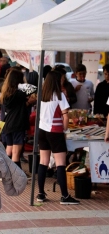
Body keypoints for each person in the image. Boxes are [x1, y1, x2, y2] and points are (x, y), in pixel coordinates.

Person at [37, 70, 79, 205]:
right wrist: (65, 130)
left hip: (42, 130)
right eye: (61, 79)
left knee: (43, 162)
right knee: (60, 163)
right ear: (56, 81)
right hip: (55, 131)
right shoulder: (60, 96)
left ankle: (41, 193)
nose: (63, 81)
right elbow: (65, 116)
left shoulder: (42, 95)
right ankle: (65, 196)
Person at [0, 69, 36, 169]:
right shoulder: (19, 93)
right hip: (18, 123)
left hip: (8, 123)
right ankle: (16, 175)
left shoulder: (5, 94)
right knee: (16, 152)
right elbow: (33, 88)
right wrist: (21, 85)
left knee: (9, 149)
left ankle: (5, 172)